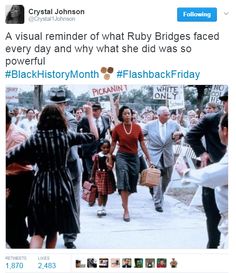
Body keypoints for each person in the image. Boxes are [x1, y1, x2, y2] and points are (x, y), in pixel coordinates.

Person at [6, 104, 96, 248]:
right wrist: (90, 115)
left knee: (38, 231)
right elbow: (93, 137)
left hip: (40, 186)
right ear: (61, 119)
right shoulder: (67, 135)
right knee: (53, 230)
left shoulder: (35, 139)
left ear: (41, 119)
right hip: (62, 187)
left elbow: (8, 156)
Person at [48, 89, 98, 249]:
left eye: (60, 104)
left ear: (64, 105)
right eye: (55, 104)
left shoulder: (70, 120)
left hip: (70, 168)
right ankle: (52, 233)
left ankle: (70, 237)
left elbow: (70, 142)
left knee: (73, 203)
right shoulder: (44, 120)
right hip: (52, 168)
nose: (57, 107)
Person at [176, 113, 228, 248]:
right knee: (214, 222)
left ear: (225, 131)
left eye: (219, 128)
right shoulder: (211, 119)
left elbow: (213, 174)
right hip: (213, 180)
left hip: (216, 176)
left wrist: (185, 172)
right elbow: (191, 136)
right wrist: (202, 153)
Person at [109, 106, 151, 221]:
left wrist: (148, 158)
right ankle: (126, 210)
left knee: (132, 183)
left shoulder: (137, 128)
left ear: (132, 115)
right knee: (123, 180)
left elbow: (142, 144)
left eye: (129, 113)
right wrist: (109, 155)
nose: (127, 115)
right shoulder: (117, 128)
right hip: (122, 157)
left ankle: (124, 199)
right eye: (125, 114)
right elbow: (112, 144)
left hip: (134, 157)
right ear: (121, 116)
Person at [142, 106, 183, 212]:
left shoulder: (174, 124)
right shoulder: (149, 125)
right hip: (154, 156)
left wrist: (180, 134)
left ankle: (160, 194)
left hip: (168, 155)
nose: (168, 116)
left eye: (169, 114)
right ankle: (158, 202)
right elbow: (139, 135)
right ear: (158, 115)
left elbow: (183, 131)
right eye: (165, 115)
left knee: (167, 178)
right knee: (157, 179)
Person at [6, 105, 34, 248]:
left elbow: (30, 159)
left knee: (14, 220)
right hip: (9, 178)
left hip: (19, 179)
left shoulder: (16, 137)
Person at [78, 103, 111, 185]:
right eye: (92, 110)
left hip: (101, 149)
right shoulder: (85, 119)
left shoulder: (105, 119)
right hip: (88, 149)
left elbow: (108, 131)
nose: (93, 112)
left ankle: (98, 188)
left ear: (100, 111)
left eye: (96, 110)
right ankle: (93, 189)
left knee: (101, 169)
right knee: (90, 170)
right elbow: (77, 130)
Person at [90, 139, 116, 217]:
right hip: (99, 175)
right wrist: (92, 176)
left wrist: (110, 158)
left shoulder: (111, 156)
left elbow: (110, 167)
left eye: (107, 148)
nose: (106, 149)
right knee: (100, 192)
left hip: (107, 176)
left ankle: (104, 207)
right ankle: (99, 207)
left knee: (105, 193)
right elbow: (94, 167)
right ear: (100, 148)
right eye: (103, 148)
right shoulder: (98, 156)